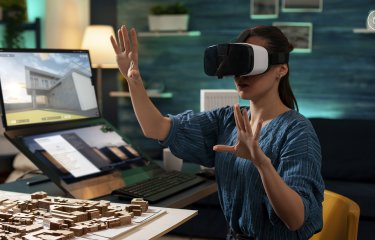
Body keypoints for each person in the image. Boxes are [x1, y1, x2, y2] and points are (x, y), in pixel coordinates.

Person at [110, 25, 324, 240]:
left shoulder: (297, 131)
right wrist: (133, 80)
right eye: (238, 63)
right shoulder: (226, 120)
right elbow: (156, 128)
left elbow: (295, 219)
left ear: (281, 69)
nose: (241, 74)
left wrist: (262, 163)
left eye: (252, 64)